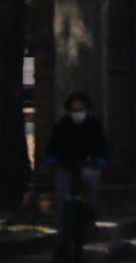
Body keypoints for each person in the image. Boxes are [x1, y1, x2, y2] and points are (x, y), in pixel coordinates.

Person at [41, 92, 110, 262]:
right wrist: (52, 159)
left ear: (87, 109)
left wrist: (99, 160)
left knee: (90, 179)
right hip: (66, 167)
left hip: (87, 166)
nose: (78, 112)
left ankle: (90, 205)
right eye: (74, 109)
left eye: (81, 109)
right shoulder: (62, 125)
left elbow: (101, 146)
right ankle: (61, 241)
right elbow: (52, 146)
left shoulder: (93, 125)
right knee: (61, 203)